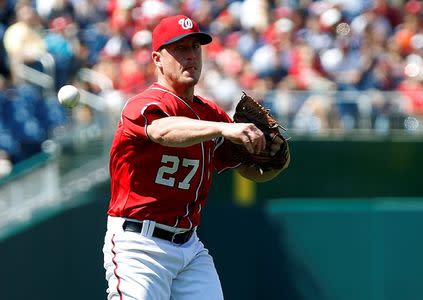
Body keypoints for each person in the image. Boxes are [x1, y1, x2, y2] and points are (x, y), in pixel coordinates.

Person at [102, 15, 290, 300]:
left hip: (190, 249)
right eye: (179, 49)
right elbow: (163, 131)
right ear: (157, 58)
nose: (190, 56)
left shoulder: (210, 113)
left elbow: (251, 171)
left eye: (195, 48)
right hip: (139, 245)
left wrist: (278, 159)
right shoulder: (145, 103)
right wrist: (222, 127)